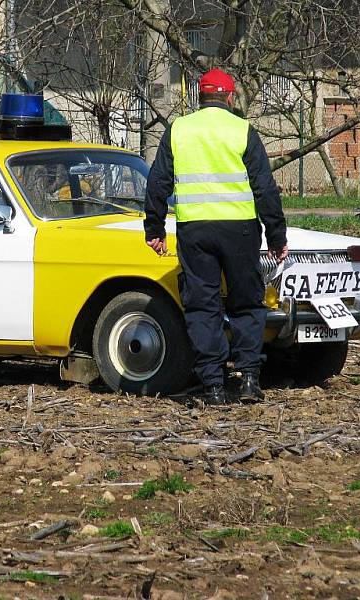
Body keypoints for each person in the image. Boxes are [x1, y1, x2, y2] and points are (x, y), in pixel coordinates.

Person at [144, 68, 288, 406]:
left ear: (199, 96)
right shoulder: (242, 130)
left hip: (195, 230)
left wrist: (154, 229)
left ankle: (213, 385)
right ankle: (249, 379)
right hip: (239, 229)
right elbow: (265, 189)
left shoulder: (178, 129)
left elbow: (158, 183)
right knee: (247, 302)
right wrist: (277, 236)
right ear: (229, 96)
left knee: (202, 305)